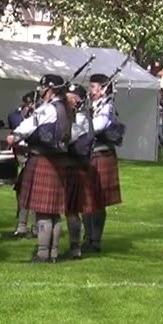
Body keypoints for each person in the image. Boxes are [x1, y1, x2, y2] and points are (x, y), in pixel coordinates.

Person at [8, 74, 70, 263]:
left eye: (43, 88)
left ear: (50, 89)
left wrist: (15, 135)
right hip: (58, 160)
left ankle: (43, 253)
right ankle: (53, 252)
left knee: (43, 210)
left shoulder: (49, 108)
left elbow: (31, 124)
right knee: (54, 212)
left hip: (43, 159)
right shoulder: (66, 108)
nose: (40, 91)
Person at [82, 73, 122, 254]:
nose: (90, 91)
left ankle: (95, 240)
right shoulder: (89, 106)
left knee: (98, 201)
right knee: (86, 199)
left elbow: (98, 126)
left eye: (93, 87)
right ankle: (87, 237)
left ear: (103, 89)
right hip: (89, 155)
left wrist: (81, 124)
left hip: (102, 154)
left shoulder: (107, 107)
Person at [62, 82, 98, 260]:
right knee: (68, 209)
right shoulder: (75, 115)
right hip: (70, 165)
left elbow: (70, 138)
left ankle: (75, 247)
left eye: (71, 98)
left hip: (75, 166)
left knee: (71, 209)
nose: (68, 101)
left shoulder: (81, 118)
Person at [7, 92, 37, 238]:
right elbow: (13, 121)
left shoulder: (43, 114)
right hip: (25, 155)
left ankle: (35, 227)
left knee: (35, 194)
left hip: (35, 156)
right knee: (22, 190)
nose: (30, 106)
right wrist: (24, 114)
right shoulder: (19, 114)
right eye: (28, 103)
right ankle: (22, 226)